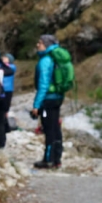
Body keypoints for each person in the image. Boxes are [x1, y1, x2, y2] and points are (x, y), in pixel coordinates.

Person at [31, 35, 64, 169]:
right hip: (57, 98)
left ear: (46, 45)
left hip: (48, 100)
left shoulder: (45, 60)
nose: (37, 45)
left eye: (40, 43)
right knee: (56, 128)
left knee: (49, 129)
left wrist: (36, 105)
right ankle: (57, 159)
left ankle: (48, 160)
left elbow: (43, 85)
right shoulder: (56, 59)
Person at [0, 53, 16, 131]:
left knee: (6, 108)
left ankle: (6, 125)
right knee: (1, 107)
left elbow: (9, 69)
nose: (3, 58)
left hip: (8, 90)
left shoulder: (12, 67)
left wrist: (4, 63)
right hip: (1, 89)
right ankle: (3, 125)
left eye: (5, 57)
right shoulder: (1, 66)